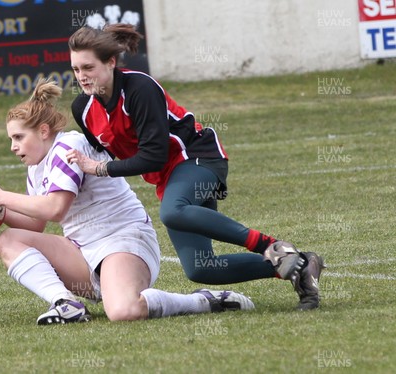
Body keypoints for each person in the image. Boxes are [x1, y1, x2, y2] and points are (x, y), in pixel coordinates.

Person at [64, 24, 325, 311]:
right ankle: (298, 266)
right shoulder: (83, 108)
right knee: (202, 269)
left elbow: (152, 156)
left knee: (172, 211)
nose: (81, 76)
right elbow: (97, 149)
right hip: (169, 178)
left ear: (111, 62)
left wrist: (101, 168)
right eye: (76, 69)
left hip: (197, 157)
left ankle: (270, 245)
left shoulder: (139, 88)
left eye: (87, 67)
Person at [0, 79, 254, 324]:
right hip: (83, 251)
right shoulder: (36, 165)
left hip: (124, 241)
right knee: (9, 240)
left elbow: (55, 208)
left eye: (18, 137)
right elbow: (36, 223)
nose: (13, 147)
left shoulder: (67, 147)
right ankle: (65, 304)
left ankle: (203, 301)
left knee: (125, 312)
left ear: (44, 131)